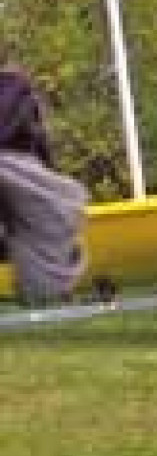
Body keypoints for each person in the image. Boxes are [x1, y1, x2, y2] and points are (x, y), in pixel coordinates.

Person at [0, 68, 88, 306]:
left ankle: (46, 286)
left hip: (16, 168)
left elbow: (35, 145)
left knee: (65, 200)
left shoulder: (13, 85)